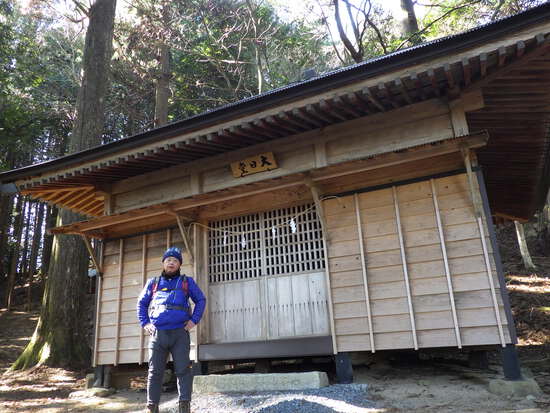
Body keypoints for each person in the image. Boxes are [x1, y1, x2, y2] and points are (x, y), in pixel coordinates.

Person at [137, 246, 206, 413]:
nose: (171, 263)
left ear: (179, 264)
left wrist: (193, 321)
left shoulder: (186, 281)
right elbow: (141, 303)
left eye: (175, 260)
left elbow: (201, 300)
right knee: (155, 372)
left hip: (179, 334)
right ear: (163, 263)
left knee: (183, 370)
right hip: (157, 334)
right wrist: (145, 323)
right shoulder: (153, 283)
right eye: (168, 260)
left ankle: (184, 406)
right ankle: (152, 407)